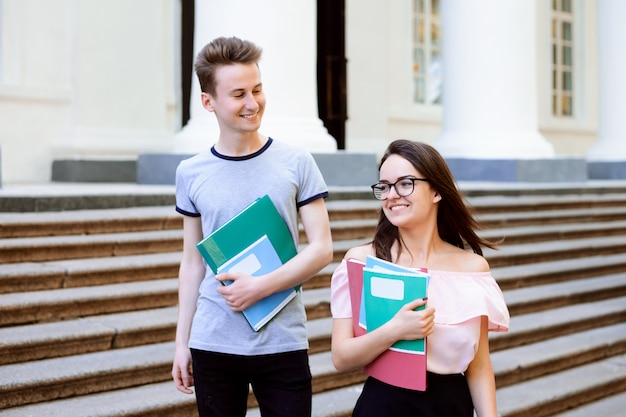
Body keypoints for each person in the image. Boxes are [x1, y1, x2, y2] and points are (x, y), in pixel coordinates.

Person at [171, 36, 334, 417]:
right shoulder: (190, 172)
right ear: (208, 101)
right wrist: (182, 343)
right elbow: (192, 263)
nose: (252, 103)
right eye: (239, 94)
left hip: (282, 341)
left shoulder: (296, 161)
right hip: (213, 341)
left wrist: (260, 287)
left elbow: (322, 248)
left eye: (257, 90)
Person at [330, 139, 510, 417]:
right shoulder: (363, 261)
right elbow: (341, 357)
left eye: (405, 183)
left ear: (437, 191)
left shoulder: (473, 270)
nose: (391, 195)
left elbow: (480, 366)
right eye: (384, 186)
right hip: (383, 406)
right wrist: (395, 330)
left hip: (451, 406)